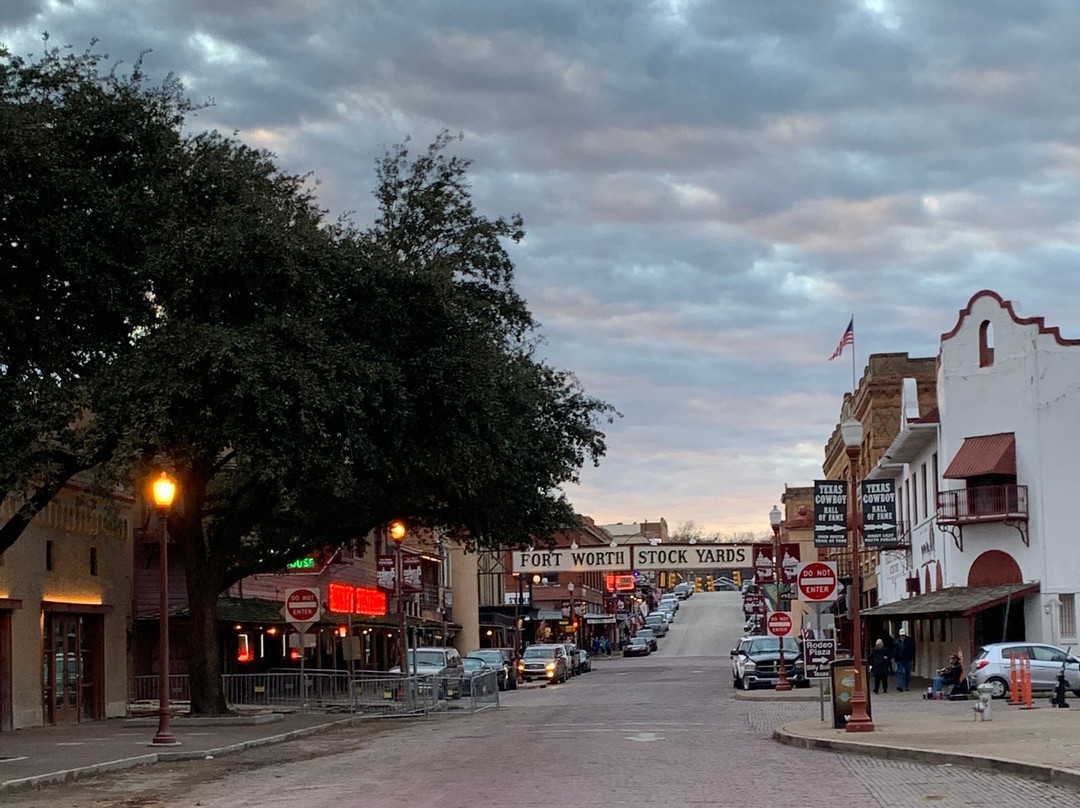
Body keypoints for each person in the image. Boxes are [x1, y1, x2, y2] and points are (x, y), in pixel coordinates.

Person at [893, 627, 915, 692]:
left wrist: (911, 657)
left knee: (907, 673)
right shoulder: (896, 642)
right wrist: (895, 658)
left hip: (907, 659)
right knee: (900, 672)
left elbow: (912, 650)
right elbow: (894, 651)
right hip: (900, 659)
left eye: (903, 635)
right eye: (901, 635)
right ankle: (900, 686)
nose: (903, 637)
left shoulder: (909, 641)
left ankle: (906, 685)